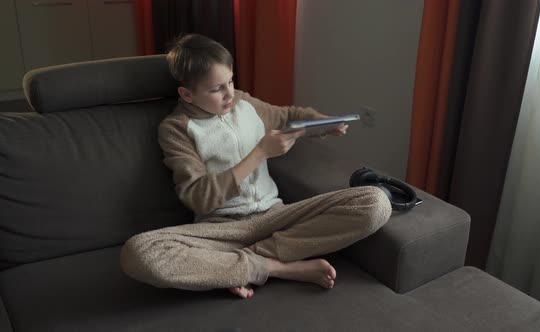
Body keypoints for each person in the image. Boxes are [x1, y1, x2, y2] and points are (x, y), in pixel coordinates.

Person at [120, 34, 392, 299]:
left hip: (275, 216)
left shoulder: (244, 103)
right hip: (221, 229)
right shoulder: (176, 129)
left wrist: (321, 123)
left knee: (376, 202)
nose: (230, 94)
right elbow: (198, 197)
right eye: (217, 89)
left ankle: (238, 266)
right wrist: (260, 152)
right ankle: (275, 268)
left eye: (230, 81)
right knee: (139, 252)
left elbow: (288, 116)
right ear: (187, 95)